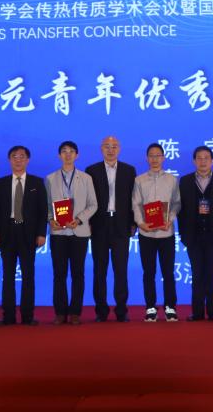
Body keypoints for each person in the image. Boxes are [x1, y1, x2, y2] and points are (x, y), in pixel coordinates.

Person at [0, 145, 48, 326]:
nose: (18, 160)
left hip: (28, 234)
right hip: (7, 233)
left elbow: (42, 210)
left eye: (22, 156)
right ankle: (8, 316)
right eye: (14, 156)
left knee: (28, 275)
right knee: (7, 276)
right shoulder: (1, 183)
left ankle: (27, 315)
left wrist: (41, 233)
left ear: (27, 160)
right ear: (9, 160)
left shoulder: (37, 182)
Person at [178, 146, 213, 322]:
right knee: (197, 274)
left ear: (212, 161)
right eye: (199, 158)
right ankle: (197, 312)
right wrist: (183, 234)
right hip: (193, 236)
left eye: (206, 158)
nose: (203, 161)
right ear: (194, 161)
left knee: (212, 274)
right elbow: (180, 211)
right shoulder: (185, 181)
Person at [86, 135, 137, 323]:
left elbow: (133, 199)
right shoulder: (92, 170)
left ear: (119, 149)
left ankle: (121, 310)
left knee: (121, 270)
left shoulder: (129, 170)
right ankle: (101, 311)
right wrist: (88, 222)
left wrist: (133, 223)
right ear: (101, 149)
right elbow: (88, 199)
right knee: (99, 271)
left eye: (114, 146)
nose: (110, 149)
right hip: (99, 225)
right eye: (107, 146)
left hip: (121, 225)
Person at [46, 140, 97, 325]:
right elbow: (46, 206)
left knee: (78, 273)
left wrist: (80, 219)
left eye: (71, 151)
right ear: (59, 155)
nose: (68, 154)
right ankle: (60, 312)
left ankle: (75, 312)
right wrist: (50, 219)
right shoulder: (50, 178)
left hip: (79, 232)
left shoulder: (86, 178)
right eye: (64, 151)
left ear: (77, 155)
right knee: (59, 274)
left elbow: (93, 204)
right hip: (58, 233)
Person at [132, 143, 181, 323]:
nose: (154, 159)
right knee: (149, 272)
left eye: (158, 155)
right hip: (146, 234)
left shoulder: (172, 180)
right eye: (151, 156)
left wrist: (170, 219)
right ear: (147, 158)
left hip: (166, 233)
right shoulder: (139, 180)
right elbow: (136, 204)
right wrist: (141, 223)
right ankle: (150, 307)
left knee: (168, 272)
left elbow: (176, 203)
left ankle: (170, 307)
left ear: (163, 158)